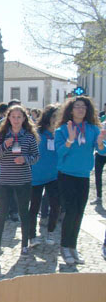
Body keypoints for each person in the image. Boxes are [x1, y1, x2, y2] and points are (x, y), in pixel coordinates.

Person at [55, 96, 106, 265]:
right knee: (70, 212)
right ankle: (64, 246)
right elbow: (59, 153)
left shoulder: (93, 129)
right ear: (71, 110)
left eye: (83, 107)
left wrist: (100, 144)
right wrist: (70, 140)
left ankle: (73, 246)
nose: (80, 109)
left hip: (83, 176)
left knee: (79, 213)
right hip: (66, 176)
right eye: (77, 106)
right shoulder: (62, 129)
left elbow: (103, 152)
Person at [0, 105, 39, 258]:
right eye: (13, 117)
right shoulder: (2, 135)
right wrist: (5, 145)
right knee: (2, 214)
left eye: (19, 117)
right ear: (8, 118)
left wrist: (25, 159)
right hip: (4, 180)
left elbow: (36, 156)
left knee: (24, 213)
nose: (16, 120)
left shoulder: (29, 137)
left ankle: (24, 246)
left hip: (23, 181)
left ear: (24, 119)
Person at [28, 104, 60, 247]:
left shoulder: (62, 133)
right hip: (36, 176)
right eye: (54, 116)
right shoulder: (37, 133)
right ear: (48, 117)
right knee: (34, 207)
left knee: (55, 206)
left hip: (54, 176)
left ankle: (51, 232)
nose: (56, 119)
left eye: (58, 116)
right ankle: (32, 236)